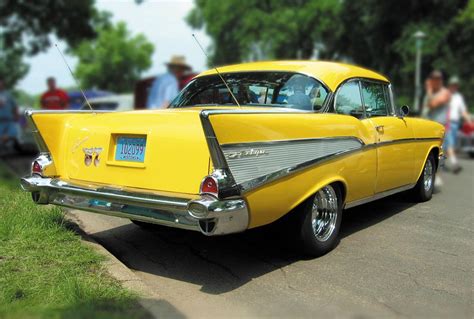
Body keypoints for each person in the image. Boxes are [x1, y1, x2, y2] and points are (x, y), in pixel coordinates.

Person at [422, 70, 451, 187]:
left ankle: (437, 176)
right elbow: (425, 108)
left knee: (439, 153)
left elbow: (433, 104)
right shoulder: (429, 94)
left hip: (441, 128)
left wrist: (429, 90)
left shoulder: (445, 92)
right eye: (433, 79)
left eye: (438, 79)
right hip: (430, 127)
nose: (435, 81)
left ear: (441, 80)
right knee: (430, 154)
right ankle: (430, 177)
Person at [446, 76, 471, 173]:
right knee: (450, 143)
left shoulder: (458, 97)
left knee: (451, 145)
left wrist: (469, 121)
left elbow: (463, 111)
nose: (454, 87)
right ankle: (454, 163)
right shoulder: (446, 95)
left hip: (456, 124)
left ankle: (441, 162)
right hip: (447, 123)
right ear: (450, 85)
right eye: (453, 85)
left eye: (456, 85)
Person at [0, 78, 19, 148]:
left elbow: (15, 106)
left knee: (13, 133)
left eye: (1, 83)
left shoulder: (8, 95)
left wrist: (17, 115)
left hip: (9, 119)